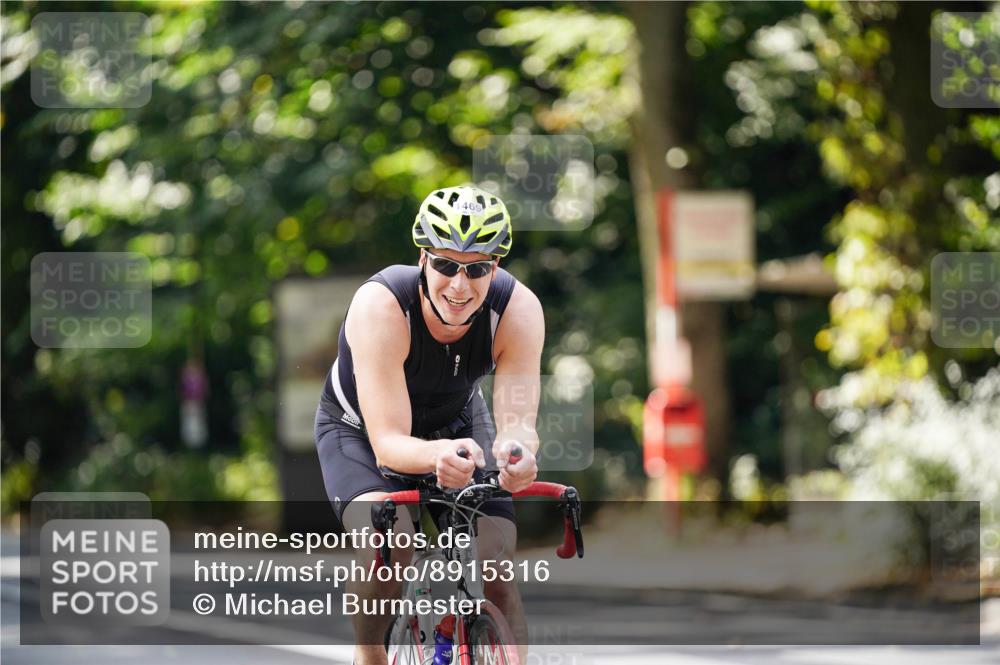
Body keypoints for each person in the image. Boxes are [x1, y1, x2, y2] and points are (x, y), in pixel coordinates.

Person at [314, 185, 543, 665]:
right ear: (422, 258)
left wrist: (518, 455)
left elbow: (518, 424)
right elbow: (390, 445)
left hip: (457, 421)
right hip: (360, 429)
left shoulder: (519, 311)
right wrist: (436, 456)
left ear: (495, 268)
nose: (459, 286)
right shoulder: (381, 305)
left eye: (477, 268)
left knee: (497, 560)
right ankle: (370, 655)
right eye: (445, 265)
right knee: (391, 543)